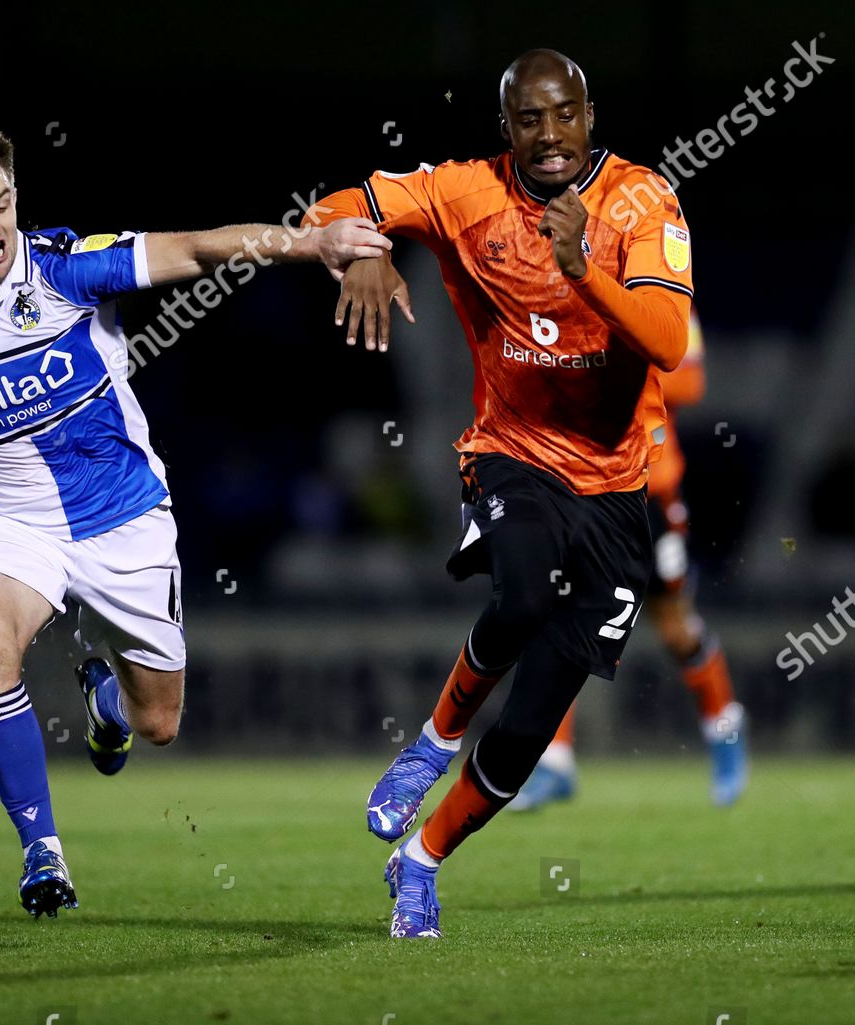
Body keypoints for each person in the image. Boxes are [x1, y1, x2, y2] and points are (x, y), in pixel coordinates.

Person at [0, 123, 387, 918]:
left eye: (2, 203)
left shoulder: (67, 268)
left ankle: (107, 710)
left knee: (159, 723)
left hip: (126, 520)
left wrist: (315, 244)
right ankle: (43, 853)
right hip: (12, 528)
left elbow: (202, 249)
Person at [311, 49, 695, 938]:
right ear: (506, 128)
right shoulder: (463, 191)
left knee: (531, 724)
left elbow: (669, 340)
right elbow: (331, 208)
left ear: (589, 116)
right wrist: (360, 252)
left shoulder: (644, 200)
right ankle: (431, 746)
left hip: (615, 487)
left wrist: (584, 267)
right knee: (521, 591)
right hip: (512, 453)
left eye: (564, 116)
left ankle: (421, 861)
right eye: (530, 119)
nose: (549, 136)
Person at [510, 312, 748, 812]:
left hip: (650, 491)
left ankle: (725, 726)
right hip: (584, 486)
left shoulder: (667, 295)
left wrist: (613, 362)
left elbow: (690, 382)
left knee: (675, 626)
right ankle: (554, 761)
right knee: (559, 614)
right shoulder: (568, 290)